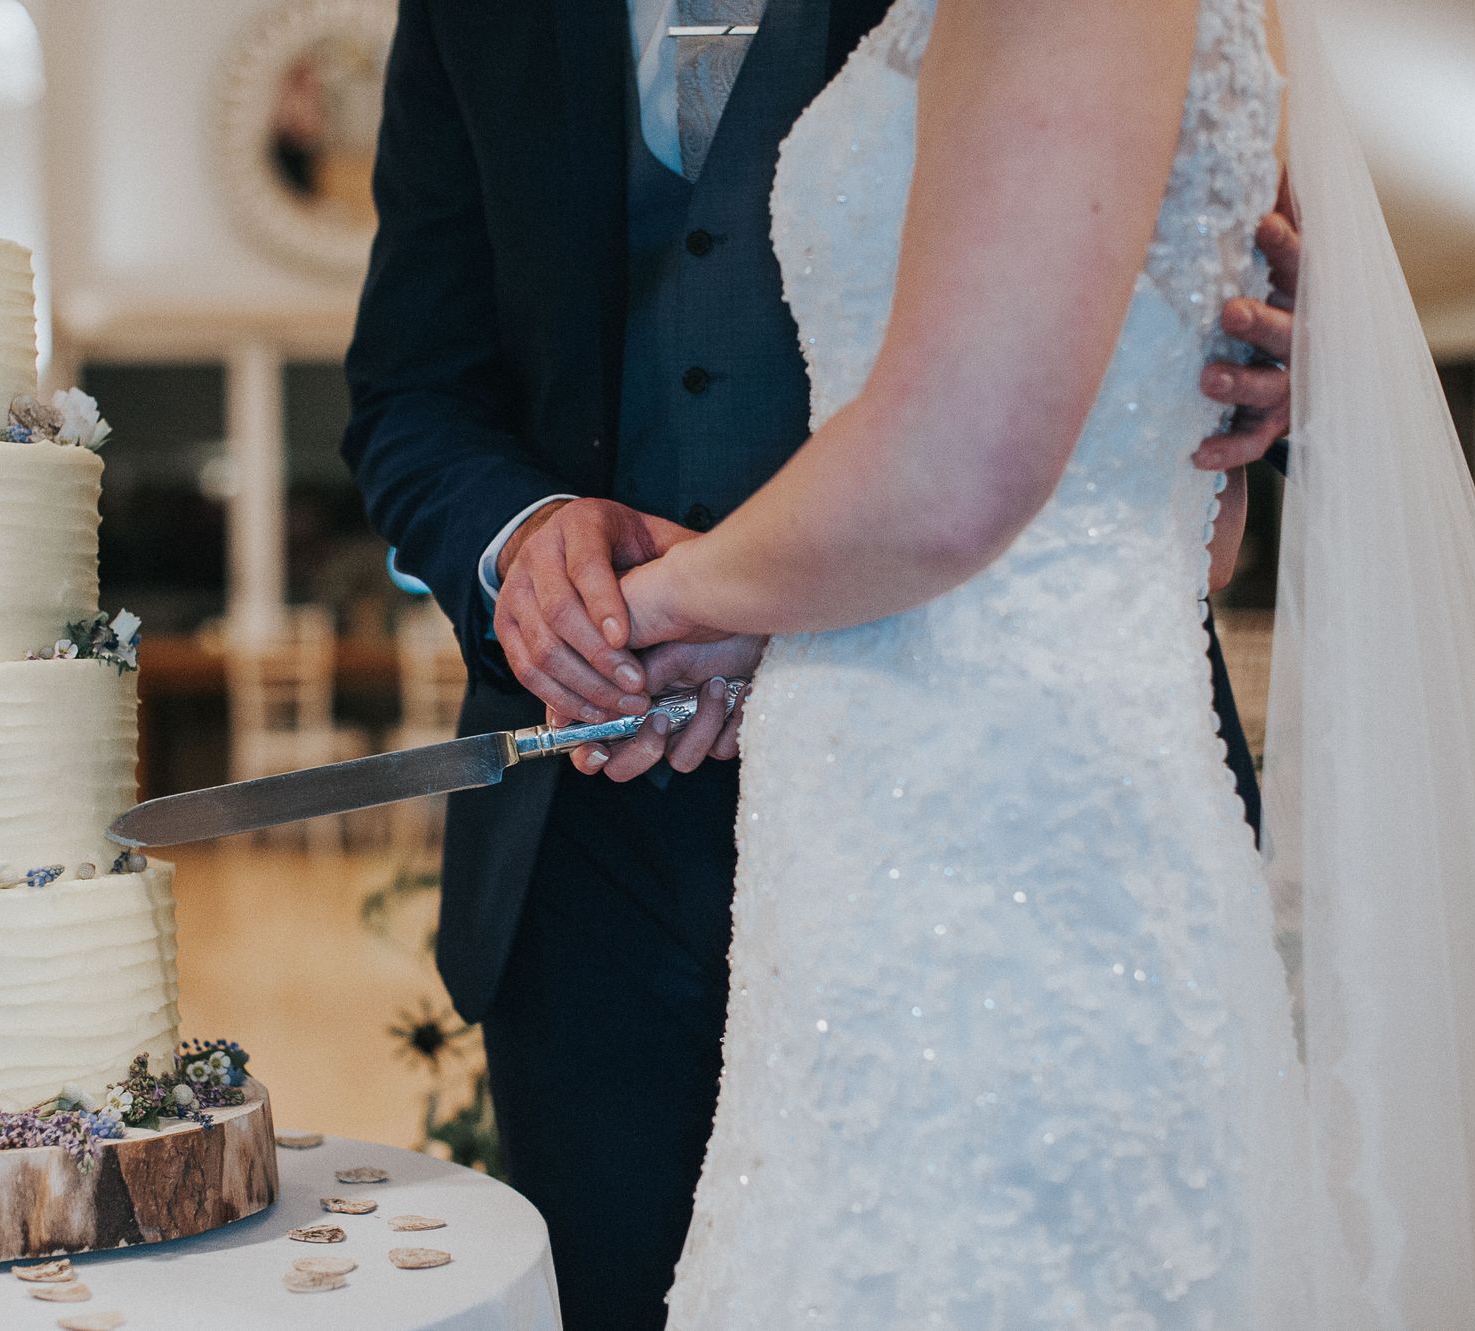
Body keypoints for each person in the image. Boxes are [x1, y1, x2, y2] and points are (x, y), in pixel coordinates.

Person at [527, 0, 1475, 1325]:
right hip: (899, 820)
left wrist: (657, 611)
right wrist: (762, 611)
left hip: (1001, 842)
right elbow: (1183, 504)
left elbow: (960, 476)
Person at [343, 4, 1298, 1325]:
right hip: (589, 859)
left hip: (1002, 821)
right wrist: (530, 547)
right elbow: (411, 389)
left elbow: (1132, 343)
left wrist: (1252, 351)